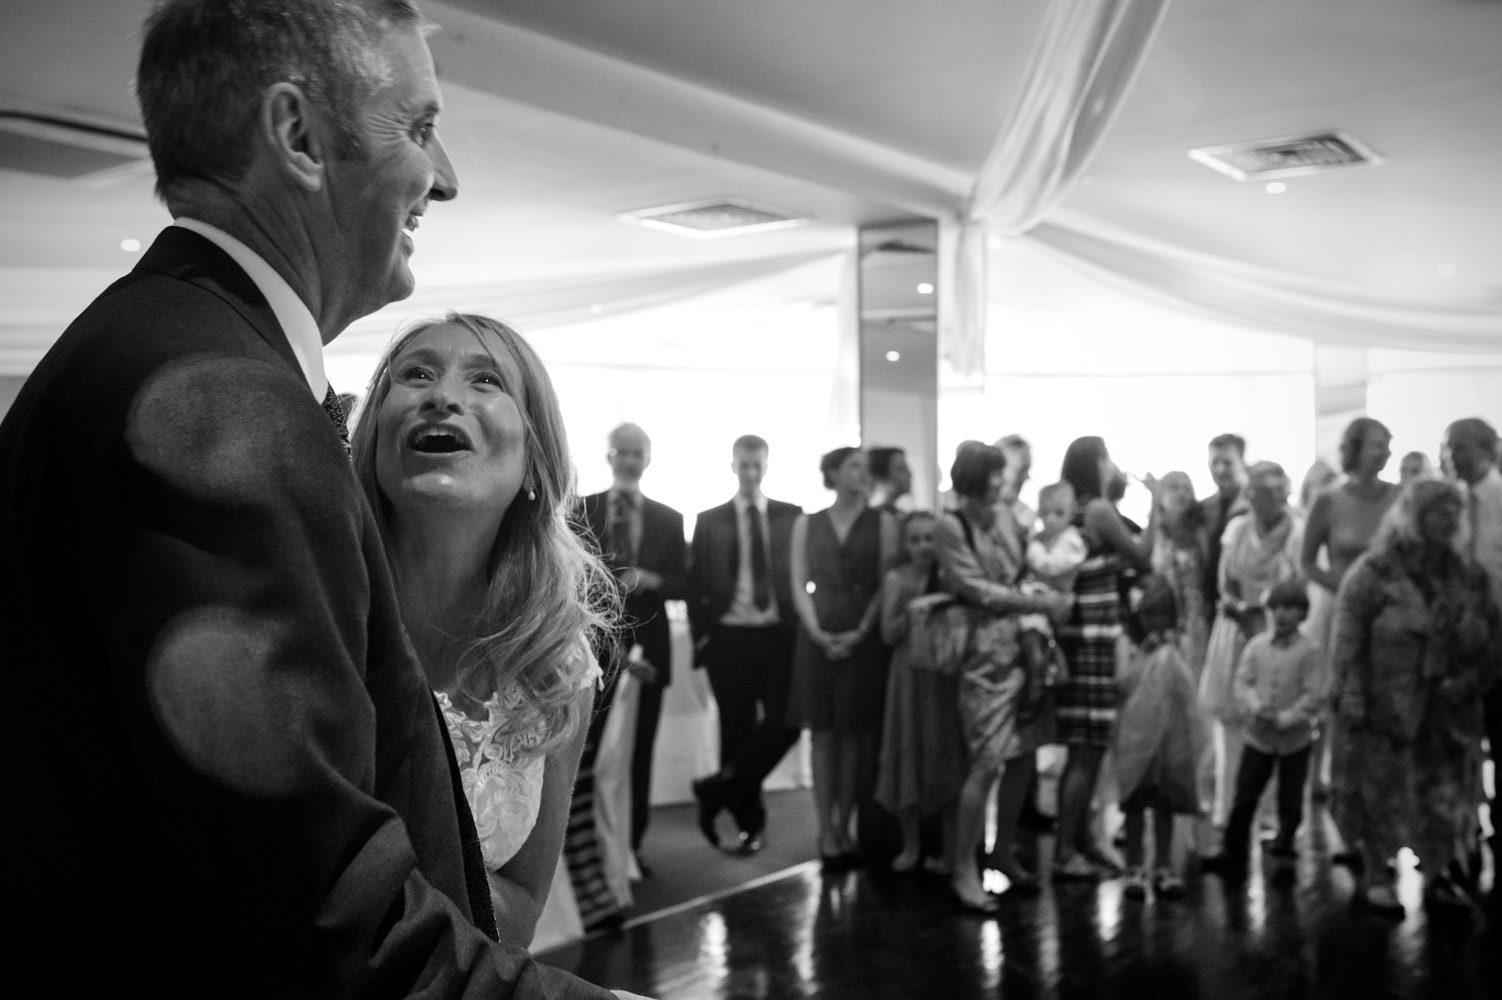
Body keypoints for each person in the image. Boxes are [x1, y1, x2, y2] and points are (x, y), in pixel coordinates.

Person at [0, 3, 641, 995]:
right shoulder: (225, 411)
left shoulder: (163, 346)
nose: (446, 178)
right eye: (419, 127)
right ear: (299, 136)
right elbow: (327, 934)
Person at [351, 312, 615, 944]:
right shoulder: (321, 615)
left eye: (486, 381)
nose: (442, 396)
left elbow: (523, 907)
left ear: (534, 459)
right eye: (415, 374)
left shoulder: (557, 665)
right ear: (372, 440)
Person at [1330, 479, 1500, 915]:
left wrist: (1468, 680)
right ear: (1413, 516)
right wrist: (1349, 699)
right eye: (1438, 511)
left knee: (1443, 795)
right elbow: (1347, 641)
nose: (1449, 520)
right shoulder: (1374, 572)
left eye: (1454, 512)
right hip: (1385, 705)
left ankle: (1439, 872)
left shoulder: (1468, 575)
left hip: (1449, 710)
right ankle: (1376, 873)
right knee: (1379, 791)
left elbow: (1492, 639)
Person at [934, 444, 1070, 911]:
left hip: (1024, 649)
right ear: (974, 477)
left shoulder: (1009, 518)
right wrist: (1039, 603)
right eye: (993, 475)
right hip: (983, 655)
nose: (1001, 483)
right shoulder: (951, 526)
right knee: (987, 761)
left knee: (1025, 756)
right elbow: (976, 590)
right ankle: (962, 867)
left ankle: (1001, 852)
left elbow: (1020, 571)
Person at [688, 434, 804, 856]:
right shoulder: (710, 519)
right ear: (732, 466)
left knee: (786, 722)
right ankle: (749, 826)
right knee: (735, 731)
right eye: (744, 465)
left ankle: (720, 785)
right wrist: (703, 636)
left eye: (758, 465)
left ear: (767, 467)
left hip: (779, 637)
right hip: (729, 638)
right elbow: (696, 581)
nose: (751, 472)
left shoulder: (791, 516)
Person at [787, 447, 898, 870]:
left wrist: (862, 632)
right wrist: (814, 629)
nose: (863, 475)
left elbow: (886, 582)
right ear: (834, 472)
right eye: (855, 467)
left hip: (863, 630)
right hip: (817, 628)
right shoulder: (806, 523)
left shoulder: (883, 522)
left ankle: (845, 826)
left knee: (854, 734)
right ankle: (824, 829)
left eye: (867, 470)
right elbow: (798, 580)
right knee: (822, 733)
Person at [581, 423, 687, 864]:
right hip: (591, 651)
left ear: (648, 459)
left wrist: (651, 578)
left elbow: (684, 581)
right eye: (621, 452)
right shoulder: (580, 509)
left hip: (650, 647)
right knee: (589, 753)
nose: (629, 460)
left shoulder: (670, 518)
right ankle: (587, 851)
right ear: (608, 456)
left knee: (639, 752)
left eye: (637, 452)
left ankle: (632, 847)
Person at [1052, 436, 1156, 880]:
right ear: (1095, 463)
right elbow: (1142, 557)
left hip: (1084, 635)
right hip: (1092, 639)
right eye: (1107, 459)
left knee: (1087, 748)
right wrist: (1154, 508)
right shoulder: (1096, 510)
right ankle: (1064, 851)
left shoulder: (1079, 508)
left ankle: (1080, 842)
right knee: (1086, 750)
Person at [1201, 462, 1303, 830]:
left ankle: (1272, 815)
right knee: (1230, 723)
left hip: (1278, 631)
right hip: (1236, 630)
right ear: (1251, 495)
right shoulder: (1237, 530)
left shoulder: (1297, 531)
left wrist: (1260, 610)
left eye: (1280, 491)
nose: (1273, 499)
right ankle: (1228, 810)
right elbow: (1224, 579)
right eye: (1264, 491)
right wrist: (1236, 606)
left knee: (1276, 721)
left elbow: (1296, 585)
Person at [1202, 581, 1325, 883]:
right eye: (1276, 608)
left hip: (1294, 740)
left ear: (1303, 613)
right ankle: (1234, 846)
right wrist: (1256, 707)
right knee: (1245, 793)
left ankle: (1285, 844)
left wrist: (1288, 717)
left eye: (1290, 608)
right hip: (1259, 737)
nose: (1281, 615)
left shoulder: (1310, 651)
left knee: (1290, 796)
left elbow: (1314, 693)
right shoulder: (1256, 646)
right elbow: (1242, 682)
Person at [874, 511, 967, 874]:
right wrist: (912, 618)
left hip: (944, 676)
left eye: (930, 539)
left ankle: (950, 847)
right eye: (915, 540)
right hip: (910, 677)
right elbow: (887, 633)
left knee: (947, 754)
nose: (923, 547)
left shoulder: (951, 578)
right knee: (909, 751)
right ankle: (911, 844)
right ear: (904, 544)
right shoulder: (897, 580)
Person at [1114, 581, 1207, 902]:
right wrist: (1145, 653)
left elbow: (1189, 685)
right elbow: (1123, 682)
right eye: (1150, 615)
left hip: (1170, 737)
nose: (1156, 623)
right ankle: (1134, 866)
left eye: (1163, 615)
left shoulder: (1179, 643)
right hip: (1136, 737)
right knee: (1136, 805)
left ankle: (1164, 865)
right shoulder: (1128, 643)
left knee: (1165, 803)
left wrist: (1172, 651)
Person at [1443, 417, 1502, 891]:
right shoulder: (1449, 505)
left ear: (1486, 449)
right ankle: (1461, 831)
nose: (1451, 456)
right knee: (1458, 743)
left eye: (1459, 447)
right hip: (1459, 644)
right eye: (1447, 447)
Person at [1149, 471, 1211, 676]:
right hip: (1163, 618)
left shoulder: (1201, 532)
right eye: (1174, 487)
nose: (1182, 493)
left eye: (1187, 488)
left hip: (1196, 617)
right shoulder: (1155, 532)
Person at [1201, 433, 1251, 622]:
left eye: (1227, 462)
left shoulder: (1254, 508)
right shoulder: (1204, 509)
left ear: (1242, 463)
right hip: (1211, 606)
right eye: (1215, 462)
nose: (1220, 469)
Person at [868, 445, 913, 515]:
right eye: (901, 469)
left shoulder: (899, 515)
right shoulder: (870, 517)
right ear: (882, 476)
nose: (909, 474)